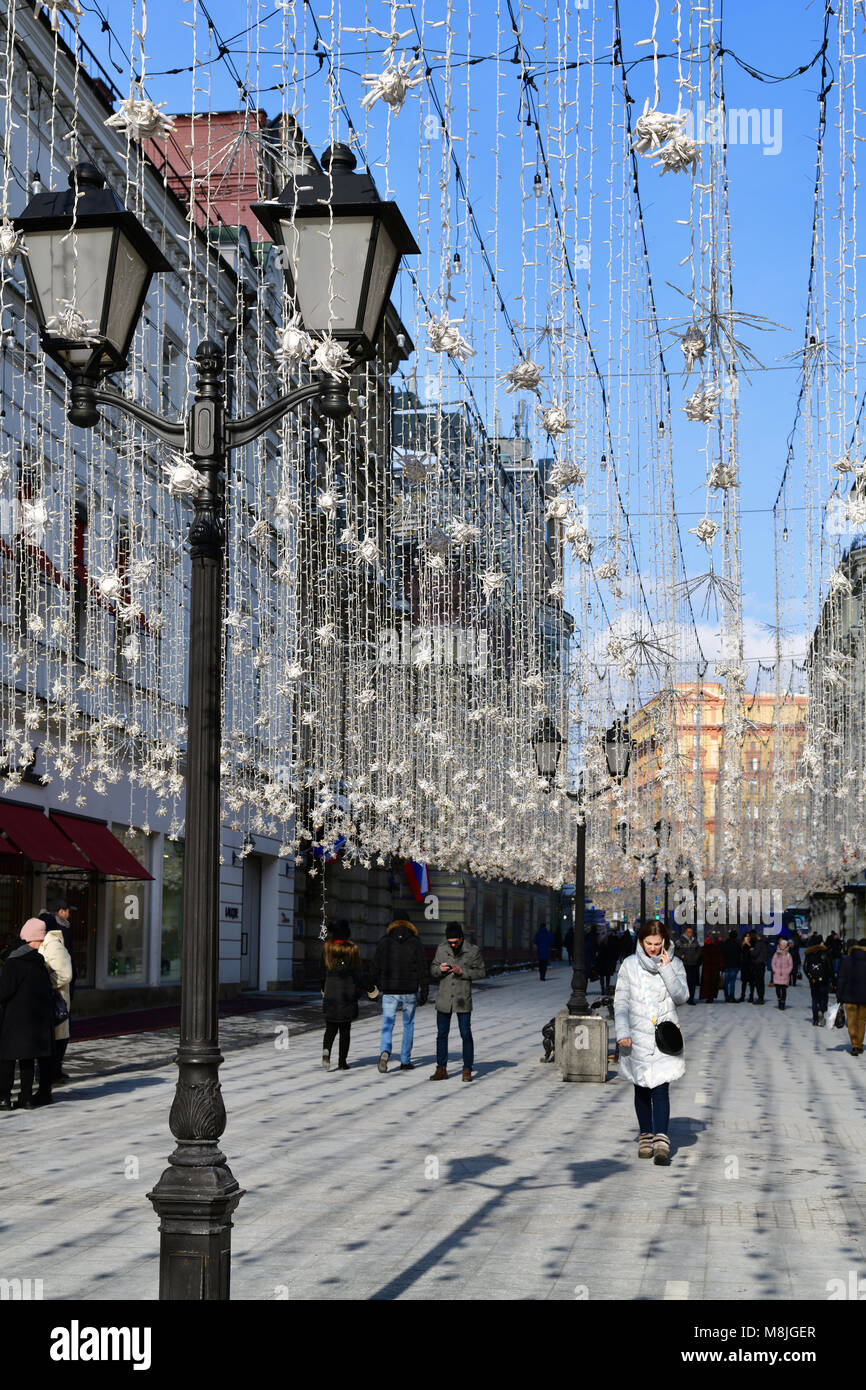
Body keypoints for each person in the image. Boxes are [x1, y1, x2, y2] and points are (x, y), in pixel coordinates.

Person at [614, 919, 689, 1166]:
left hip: (663, 1037)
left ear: (665, 942)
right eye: (649, 943)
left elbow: (682, 997)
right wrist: (623, 1030)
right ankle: (645, 1135)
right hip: (636, 1035)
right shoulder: (629, 965)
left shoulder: (675, 963)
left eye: (658, 944)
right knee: (641, 1087)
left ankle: (661, 1141)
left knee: (661, 1087)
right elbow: (621, 1001)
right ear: (641, 940)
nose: (653, 948)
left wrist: (667, 969)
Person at [0, 919, 56, 1109]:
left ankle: (4, 1098)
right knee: (27, 1058)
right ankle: (26, 1098)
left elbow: (4, 991)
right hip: (35, 1019)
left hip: (14, 1018)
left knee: (7, 1058)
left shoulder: (13, 961)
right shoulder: (39, 962)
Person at [430, 923, 486, 1082]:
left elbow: (481, 972)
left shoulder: (473, 951)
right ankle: (441, 1068)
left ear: (461, 938)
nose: (452, 944)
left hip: (462, 999)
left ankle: (467, 1068)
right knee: (441, 1035)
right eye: (450, 942)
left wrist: (463, 972)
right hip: (444, 998)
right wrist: (439, 969)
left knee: (465, 1034)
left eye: (455, 942)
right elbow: (432, 969)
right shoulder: (441, 949)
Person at [373, 918, 429, 1073]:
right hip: (409, 990)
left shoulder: (384, 942)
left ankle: (385, 1051)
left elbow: (375, 965)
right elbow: (423, 967)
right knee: (408, 1025)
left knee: (387, 1024)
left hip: (389, 990)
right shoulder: (415, 942)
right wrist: (424, 990)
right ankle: (405, 1060)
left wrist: (371, 986)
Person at [321, 922, 372, 1071]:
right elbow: (358, 973)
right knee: (345, 1030)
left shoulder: (327, 950)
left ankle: (326, 1052)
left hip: (330, 992)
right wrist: (369, 988)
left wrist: (323, 989)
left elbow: (321, 972)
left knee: (330, 1028)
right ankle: (342, 1062)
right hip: (347, 994)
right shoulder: (352, 950)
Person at [38, 915, 73, 1081]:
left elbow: (64, 974)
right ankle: (50, 1073)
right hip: (50, 999)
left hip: (56, 1000)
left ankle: (52, 1073)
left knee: (57, 1038)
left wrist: (44, 983)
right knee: (52, 1038)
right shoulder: (46, 944)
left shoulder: (54, 946)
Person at [836, 938, 866, 1055]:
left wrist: (839, 995)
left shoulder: (847, 960)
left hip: (849, 996)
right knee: (862, 1021)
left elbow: (841, 979)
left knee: (852, 1021)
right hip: (864, 998)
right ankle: (859, 1044)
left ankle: (854, 1044)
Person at [804, 934, 832, 1026]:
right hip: (824, 980)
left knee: (814, 999)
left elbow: (805, 967)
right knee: (824, 998)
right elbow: (829, 967)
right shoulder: (825, 952)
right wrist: (829, 978)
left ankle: (815, 1019)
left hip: (813, 981)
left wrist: (810, 977)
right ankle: (822, 1011)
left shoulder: (809, 953)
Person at [674, 925, 702, 1005]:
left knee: (692, 982)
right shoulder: (680, 941)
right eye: (688, 932)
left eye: (691, 932)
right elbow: (675, 950)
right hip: (684, 964)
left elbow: (699, 950)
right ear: (685, 932)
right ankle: (684, 998)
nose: (690, 933)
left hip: (693, 964)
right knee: (684, 982)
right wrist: (681, 955)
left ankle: (691, 999)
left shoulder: (694, 941)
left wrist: (696, 957)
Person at [771, 937, 793, 1009]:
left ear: (786, 946)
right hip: (777, 975)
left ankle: (782, 1003)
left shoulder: (788, 955)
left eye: (783, 945)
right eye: (781, 945)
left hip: (785, 975)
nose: (782, 946)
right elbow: (773, 963)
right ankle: (779, 1000)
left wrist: (787, 972)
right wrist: (775, 970)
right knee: (777, 989)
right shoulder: (776, 954)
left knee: (783, 990)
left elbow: (790, 965)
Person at [699, 931, 722, 1002]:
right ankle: (711, 997)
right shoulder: (716, 948)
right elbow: (719, 958)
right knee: (713, 983)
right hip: (714, 969)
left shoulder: (703, 949)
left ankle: (707, 996)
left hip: (706, 969)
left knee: (706, 984)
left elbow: (700, 958)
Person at [721, 929, 741, 1002]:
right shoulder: (737, 944)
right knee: (732, 983)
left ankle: (726, 997)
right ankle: (731, 997)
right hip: (734, 965)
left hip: (726, 965)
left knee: (726, 982)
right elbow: (739, 955)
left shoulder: (725, 943)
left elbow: (722, 954)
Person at [597, 930, 619, 995]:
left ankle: (603, 989)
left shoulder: (601, 944)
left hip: (602, 962)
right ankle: (606, 989)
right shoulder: (611, 944)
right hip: (607, 962)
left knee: (603, 976)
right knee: (607, 976)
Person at [750, 931, 768, 1004]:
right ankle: (761, 997)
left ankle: (760, 998)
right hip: (763, 964)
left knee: (758, 982)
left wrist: (751, 950)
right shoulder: (765, 944)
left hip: (758, 964)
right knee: (761, 981)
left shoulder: (758, 944)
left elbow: (755, 954)